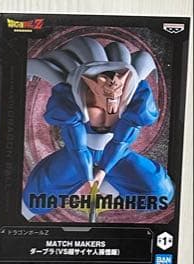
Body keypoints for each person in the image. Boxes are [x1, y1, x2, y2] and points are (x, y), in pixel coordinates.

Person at [23, 36, 174, 219]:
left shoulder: (134, 98)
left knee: (159, 192)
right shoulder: (71, 98)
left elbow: (121, 141)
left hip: (117, 154)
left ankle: (112, 186)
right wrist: (87, 174)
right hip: (77, 153)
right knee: (37, 197)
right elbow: (76, 144)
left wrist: (103, 170)